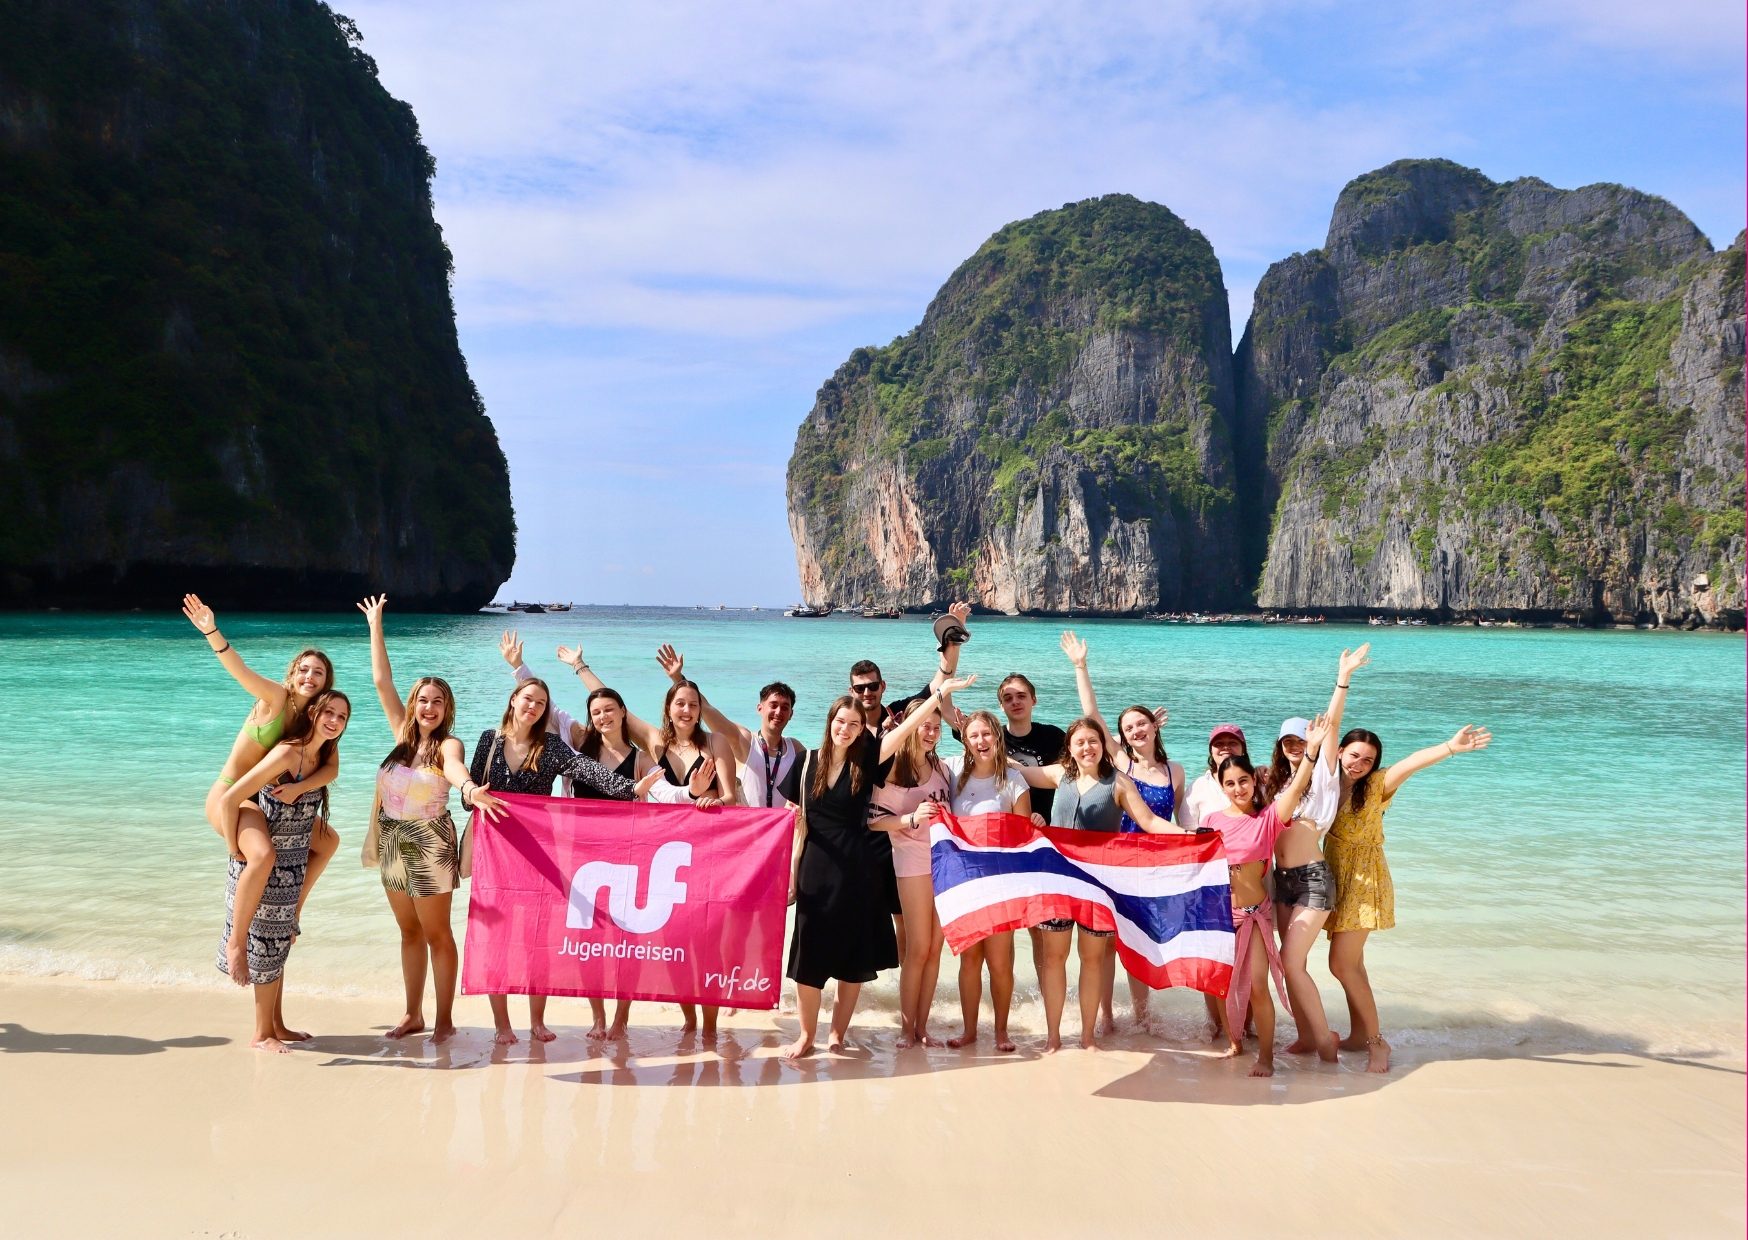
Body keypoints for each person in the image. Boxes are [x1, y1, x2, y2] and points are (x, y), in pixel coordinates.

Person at [783, 675, 975, 1060]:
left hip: (857, 869)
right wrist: (790, 877)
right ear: (830, 721)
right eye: (841, 721)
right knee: (809, 956)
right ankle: (806, 1034)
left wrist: (941, 693)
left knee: (852, 958)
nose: (846, 729)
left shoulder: (867, 762)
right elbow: (795, 827)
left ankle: (837, 1033)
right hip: (815, 870)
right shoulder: (806, 764)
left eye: (854, 724)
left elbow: (905, 728)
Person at [468, 677, 664, 1045]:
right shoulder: (488, 741)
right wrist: (472, 795)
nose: (533, 707)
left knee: (534, 939)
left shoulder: (552, 746)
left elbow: (587, 770)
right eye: (528, 699)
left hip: (539, 853)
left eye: (541, 703)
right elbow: (469, 798)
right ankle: (502, 1025)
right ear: (514, 700)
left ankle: (536, 1022)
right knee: (496, 939)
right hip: (494, 851)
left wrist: (630, 789)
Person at [358, 594, 507, 1043]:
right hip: (391, 841)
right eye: (423, 700)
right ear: (414, 704)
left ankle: (444, 1019)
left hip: (429, 844)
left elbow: (458, 769)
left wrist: (467, 789)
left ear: (447, 709)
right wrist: (375, 625)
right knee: (407, 931)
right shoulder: (399, 740)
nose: (428, 708)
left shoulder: (448, 745)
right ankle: (412, 1014)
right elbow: (382, 681)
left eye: (437, 702)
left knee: (437, 933)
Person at [183, 594, 342, 969]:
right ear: (292, 674)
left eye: (317, 673)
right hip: (230, 796)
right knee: (263, 855)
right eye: (304, 669)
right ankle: (236, 944)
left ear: (326, 683)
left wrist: (302, 787)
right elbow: (240, 671)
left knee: (329, 841)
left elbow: (332, 769)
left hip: (262, 805)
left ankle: (293, 912)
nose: (309, 676)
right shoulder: (275, 698)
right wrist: (212, 631)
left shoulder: (315, 723)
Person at [1007, 717, 1184, 1051]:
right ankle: (1054, 1037)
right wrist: (971, 739)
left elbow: (1149, 822)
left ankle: (1088, 1037)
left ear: (1103, 745)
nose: (1087, 747)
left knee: (1092, 960)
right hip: (1057, 881)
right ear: (1070, 749)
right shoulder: (1060, 774)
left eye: (1093, 741)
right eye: (1080, 742)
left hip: (1098, 884)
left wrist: (1188, 834)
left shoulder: (1119, 783)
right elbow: (1016, 769)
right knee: (1054, 959)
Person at [1326, 721, 1493, 1074]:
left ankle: (1376, 1043)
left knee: (1340, 964)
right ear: (1340, 751)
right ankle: (1359, 1035)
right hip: (1337, 878)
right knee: (1353, 965)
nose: (1359, 764)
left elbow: (1412, 762)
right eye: (1354, 755)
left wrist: (1450, 746)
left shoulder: (1374, 786)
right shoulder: (1326, 783)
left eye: (1368, 760)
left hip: (1365, 880)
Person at [1058, 630, 1189, 1028]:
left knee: (1141, 942)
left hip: (1154, 870)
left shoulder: (1175, 771)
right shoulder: (1119, 764)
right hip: (1115, 863)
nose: (1135, 731)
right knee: (1107, 944)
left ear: (1155, 726)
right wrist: (1081, 666)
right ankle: (1105, 1016)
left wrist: (1195, 843)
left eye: (1141, 724)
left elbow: (1174, 821)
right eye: (1128, 727)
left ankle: (1142, 1015)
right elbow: (1092, 716)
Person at [213, 689, 350, 1051]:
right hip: (267, 857)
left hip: (293, 856)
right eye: (328, 712)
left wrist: (301, 788)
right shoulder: (288, 752)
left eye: (341, 716)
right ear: (314, 713)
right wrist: (234, 850)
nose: (334, 720)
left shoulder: (326, 755)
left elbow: (330, 775)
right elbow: (229, 798)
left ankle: (278, 1024)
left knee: (279, 944)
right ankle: (261, 1032)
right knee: (266, 942)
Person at [1201, 715, 1330, 1078]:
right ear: (1221, 785)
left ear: (1253, 782)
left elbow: (1295, 788)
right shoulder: (1211, 820)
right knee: (1224, 985)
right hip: (1223, 915)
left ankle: (1267, 1058)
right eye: (1230, 783)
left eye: (1243, 781)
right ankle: (1235, 1042)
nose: (1238, 788)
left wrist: (1312, 752)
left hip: (1256, 914)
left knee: (1258, 986)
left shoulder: (1268, 818)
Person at [1269, 645, 1370, 1063]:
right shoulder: (1273, 784)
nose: (1296, 745)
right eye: (1288, 740)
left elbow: (1334, 724)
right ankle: (1310, 1035)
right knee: (1290, 963)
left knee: (1292, 962)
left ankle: (1327, 1043)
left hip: (1312, 879)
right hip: (1279, 882)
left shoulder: (1325, 776)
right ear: (1279, 745)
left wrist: (1342, 677)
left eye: (1302, 738)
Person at [915, 708, 1035, 1054]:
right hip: (964, 882)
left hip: (1000, 884)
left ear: (997, 738)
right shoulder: (953, 771)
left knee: (999, 962)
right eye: (974, 735)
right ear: (965, 741)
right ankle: (970, 1031)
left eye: (987, 734)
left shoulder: (1014, 781)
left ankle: (1001, 1032)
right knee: (969, 960)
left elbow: (1023, 836)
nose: (981, 741)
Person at [867, 701, 952, 1048]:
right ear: (912, 726)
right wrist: (910, 818)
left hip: (946, 864)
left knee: (935, 949)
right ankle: (905, 1029)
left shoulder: (943, 767)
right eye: (924, 725)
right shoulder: (893, 770)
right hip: (912, 862)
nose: (930, 732)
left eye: (936, 726)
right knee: (917, 948)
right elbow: (874, 821)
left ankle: (922, 1027)